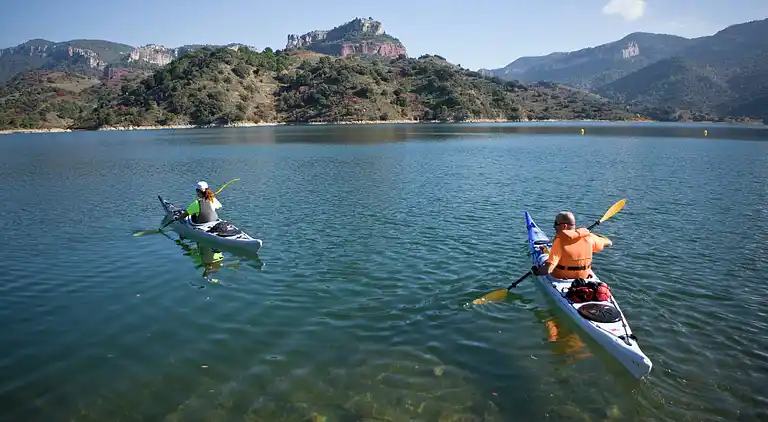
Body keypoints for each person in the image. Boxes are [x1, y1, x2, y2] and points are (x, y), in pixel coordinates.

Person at [532, 211, 612, 280]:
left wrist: (536, 271)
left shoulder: (559, 241)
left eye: (556, 224)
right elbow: (609, 242)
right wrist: (589, 233)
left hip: (560, 278)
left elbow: (548, 270)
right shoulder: (589, 237)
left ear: (564, 226)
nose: (554, 226)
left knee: (543, 257)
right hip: (584, 278)